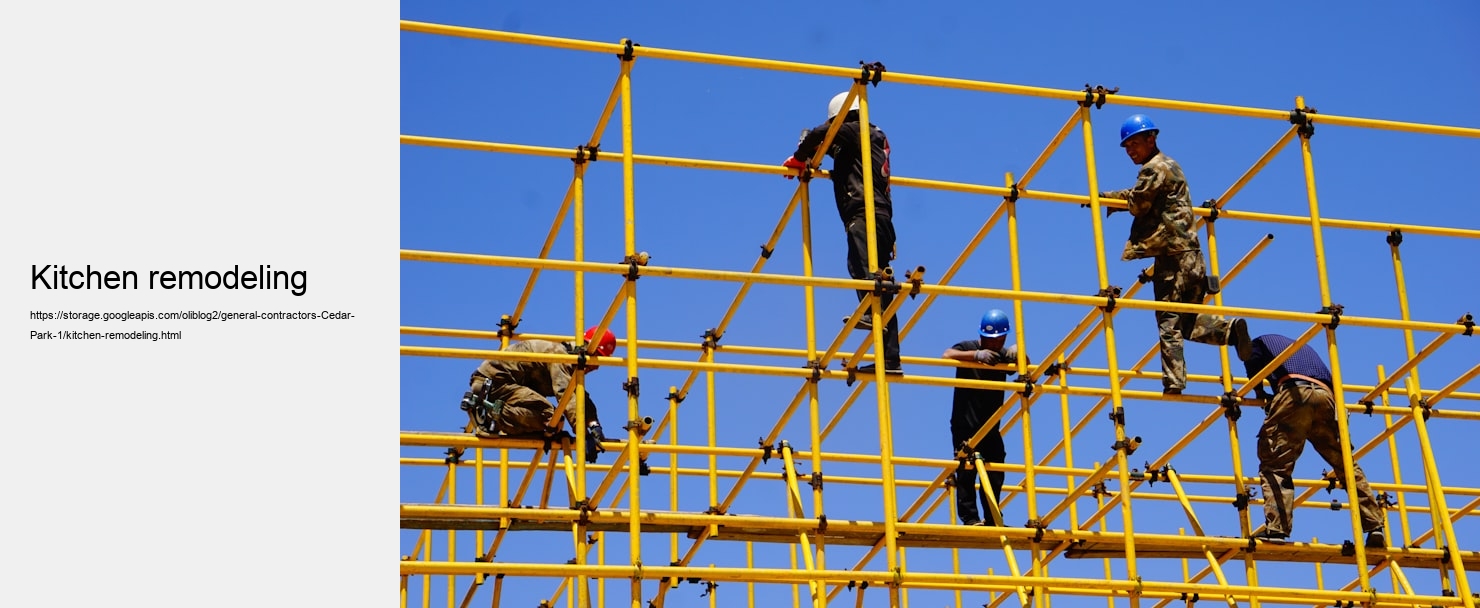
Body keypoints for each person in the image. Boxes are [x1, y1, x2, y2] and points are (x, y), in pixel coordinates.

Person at [1101, 113, 1250, 394]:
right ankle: (1230, 331)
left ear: (1151, 139)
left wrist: (1107, 198)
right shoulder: (1171, 165)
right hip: (1192, 255)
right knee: (1186, 321)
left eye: (1134, 144)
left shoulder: (1154, 168)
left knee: (1169, 320)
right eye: (1127, 147)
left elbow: (1138, 203)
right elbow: (1141, 196)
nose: (1131, 151)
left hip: (1173, 256)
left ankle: (1174, 381)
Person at [783, 91, 901, 374]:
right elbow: (841, 158)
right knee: (877, 278)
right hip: (880, 215)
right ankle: (890, 357)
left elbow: (820, 134)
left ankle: (872, 317)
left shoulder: (852, 129)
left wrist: (801, 156)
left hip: (865, 213)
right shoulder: (869, 137)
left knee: (867, 273)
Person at [1239, 333, 1386, 547]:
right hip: (1327, 398)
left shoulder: (1259, 343)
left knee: (1276, 464)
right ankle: (1374, 525)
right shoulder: (1300, 348)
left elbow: (1251, 362)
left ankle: (1277, 528)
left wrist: (1261, 393)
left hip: (1294, 392)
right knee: (1345, 463)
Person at [459, 326, 615, 463]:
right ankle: (489, 415)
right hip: (495, 383)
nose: (597, 367)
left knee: (551, 427)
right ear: (589, 349)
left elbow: (577, 394)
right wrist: (582, 433)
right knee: (550, 418)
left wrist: (594, 425)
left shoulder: (569, 361)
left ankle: (491, 413)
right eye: (598, 358)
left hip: (497, 384)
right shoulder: (562, 356)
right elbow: (565, 394)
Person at [941, 309, 1023, 526]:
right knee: (967, 469)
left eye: (998, 340)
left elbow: (1024, 367)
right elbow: (947, 354)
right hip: (964, 423)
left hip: (990, 425)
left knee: (996, 468)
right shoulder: (969, 348)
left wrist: (1019, 355)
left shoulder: (1001, 356)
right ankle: (970, 518)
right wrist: (976, 356)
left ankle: (992, 517)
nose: (994, 344)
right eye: (990, 339)